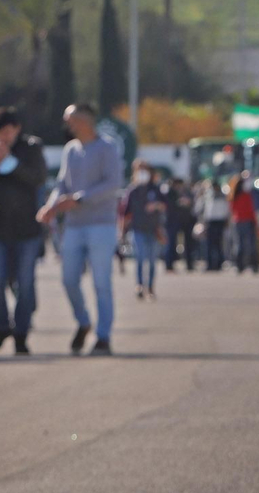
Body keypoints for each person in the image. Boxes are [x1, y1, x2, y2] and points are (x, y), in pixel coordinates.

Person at [38, 103, 123, 355]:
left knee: (101, 282)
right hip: (74, 225)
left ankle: (103, 335)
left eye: (71, 120)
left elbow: (113, 183)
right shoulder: (71, 150)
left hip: (101, 225)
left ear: (84, 121)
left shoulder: (107, 148)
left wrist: (79, 198)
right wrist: (51, 205)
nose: (68, 125)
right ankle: (83, 321)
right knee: (68, 279)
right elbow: (62, 184)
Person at [0, 107, 47, 354]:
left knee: (25, 283)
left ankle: (21, 333)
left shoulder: (31, 147)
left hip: (27, 229)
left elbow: (38, 178)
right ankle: (1, 325)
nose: (3, 136)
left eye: (7, 131)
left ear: (17, 129)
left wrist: (11, 163)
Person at [121, 160, 165, 300]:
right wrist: (122, 231)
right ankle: (139, 285)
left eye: (144, 170)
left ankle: (151, 286)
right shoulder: (132, 191)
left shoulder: (155, 189)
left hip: (153, 229)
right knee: (140, 257)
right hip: (138, 229)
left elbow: (165, 205)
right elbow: (125, 213)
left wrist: (156, 205)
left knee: (152, 260)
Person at [196, 177, 230, 272]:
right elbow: (200, 209)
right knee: (209, 244)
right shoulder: (207, 196)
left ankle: (218, 263)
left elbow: (226, 210)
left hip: (219, 222)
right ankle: (210, 264)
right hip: (210, 221)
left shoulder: (222, 196)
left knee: (218, 244)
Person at [229, 172, 259, 274]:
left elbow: (232, 209)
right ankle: (253, 266)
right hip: (247, 221)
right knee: (250, 244)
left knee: (238, 244)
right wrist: (255, 221)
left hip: (237, 221)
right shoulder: (246, 195)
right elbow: (251, 209)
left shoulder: (233, 196)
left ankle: (239, 266)